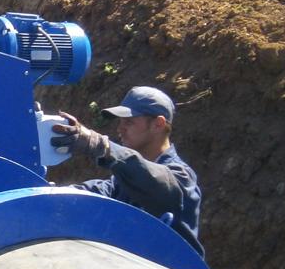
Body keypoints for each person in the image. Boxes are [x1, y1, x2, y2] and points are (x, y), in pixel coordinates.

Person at [51, 85, 204, 257]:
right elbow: (99, 191)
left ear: (158, 124)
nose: (120, 129)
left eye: (129, 122)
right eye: (120, 122)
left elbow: (154, 181)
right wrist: (50, 194)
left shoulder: (181, 178)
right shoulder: (124, 180)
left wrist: (102, 146)